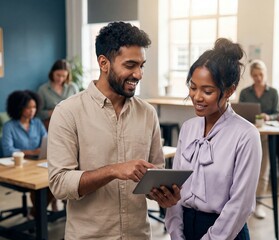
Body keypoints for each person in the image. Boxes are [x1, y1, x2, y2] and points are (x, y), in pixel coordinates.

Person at [47, 21, 180, 239]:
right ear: (103, 63)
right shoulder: (68, 112)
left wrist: (162, 194)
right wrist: (113, 170)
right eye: (130, 65)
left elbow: (153, 175)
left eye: (142, 65)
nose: (138, 74)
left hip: (138, 235)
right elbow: (60, 184)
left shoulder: (147, 113)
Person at [165, 38, 262, 240]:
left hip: (226, 234)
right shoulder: (188, 129)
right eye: (193, 87)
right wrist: (175, 233)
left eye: (207, 91)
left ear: (229, 90)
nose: (197, 97)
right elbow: (177, 190)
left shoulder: (246, 135)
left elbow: (240, 205)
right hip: (185, 230)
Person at [1, 90, 56, 216]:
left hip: (38, 163)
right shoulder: (9, 126)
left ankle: (37, 214)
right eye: (28, 107)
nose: (32, 110)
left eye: (34, 107)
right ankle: (38, 216)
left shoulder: (37, 123)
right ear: (19, 108)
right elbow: (8, 150)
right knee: (41, 186)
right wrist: (31, 151)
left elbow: (46, 141)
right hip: (18, 168)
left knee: (54, 181)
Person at [239, 59, 279, 219]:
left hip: (265, 137)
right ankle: (245, 204)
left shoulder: (273, 92)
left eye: (261, 74)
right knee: (245, 171)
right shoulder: (245, 92)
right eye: (255, 75)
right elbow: (238, 113)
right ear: (251, 75)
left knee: (263, 171)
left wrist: (269, 116)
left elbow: (278, 114)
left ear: (265, 74)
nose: (258, 78)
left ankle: (259, 205)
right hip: (247, 137)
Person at [37, 59, 79, 129]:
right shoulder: (43, 89)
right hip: (51, 124)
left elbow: (79, 107)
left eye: (64, 76)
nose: (60, 79)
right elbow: (38, 113)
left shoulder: (73, 87)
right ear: (52, 73)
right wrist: (53, 112)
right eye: (58, 75)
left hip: (71, 124)